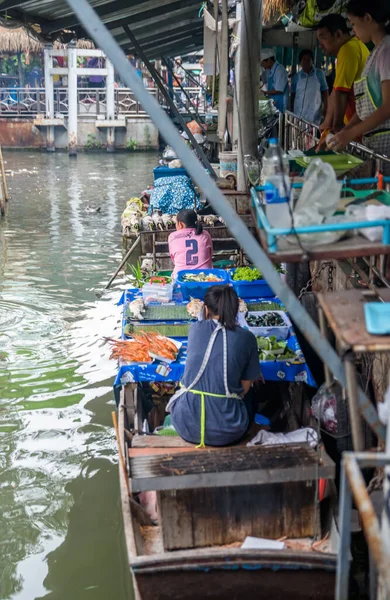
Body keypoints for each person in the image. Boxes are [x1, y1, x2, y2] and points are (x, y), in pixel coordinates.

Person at [168, 286, 261, 447]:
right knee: (252, 392)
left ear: (205, 310)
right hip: (228, 432)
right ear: (236, 310)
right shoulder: (247, 338)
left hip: (186, 426)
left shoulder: (195, 329)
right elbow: (244, 389)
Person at [328, 0, 390, 172]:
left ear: (368, 18)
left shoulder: (387, 52)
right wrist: (344, 132)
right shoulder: (373, 55)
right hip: (374, 145)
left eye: (354, 24)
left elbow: (388, 107)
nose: (353, 30)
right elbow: (365, 110)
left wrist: (350, 134)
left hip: (386, 145)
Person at [317, 14, 369, 131]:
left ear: (338, 35)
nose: (320, 45)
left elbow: (340, 92)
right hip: (357, 123)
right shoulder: (355, 45)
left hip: (358, 127)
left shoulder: (348, 49)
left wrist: (337, 126)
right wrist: (327, 123)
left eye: (323, 37)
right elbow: (336, 91)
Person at [168, 209, 213, 278]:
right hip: (206, 278)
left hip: (181, 278)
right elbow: (210, 255)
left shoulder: (172, 237)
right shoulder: (205, 235)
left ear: (180, 224)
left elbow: (174, 259)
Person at [291, 49, 329, 124]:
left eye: (309, 59)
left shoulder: (319, 74)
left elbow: (325, 92)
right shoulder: (296, 77)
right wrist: (291, 110)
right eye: (304, 59)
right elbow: (293, 95)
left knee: (312, 133)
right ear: (300, 62)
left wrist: (326, 108)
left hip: (314, 114)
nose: (306, 61)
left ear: (312, 61)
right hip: (298, 113)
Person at [260, 48, 289, 113]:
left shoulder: (279, 69)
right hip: (275, 103)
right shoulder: (270, 70)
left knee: (281, 121)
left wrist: (265, 92)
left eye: (263, 63)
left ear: (269, 60)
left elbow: (279, 90)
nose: (262, 66)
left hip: (281, 104)